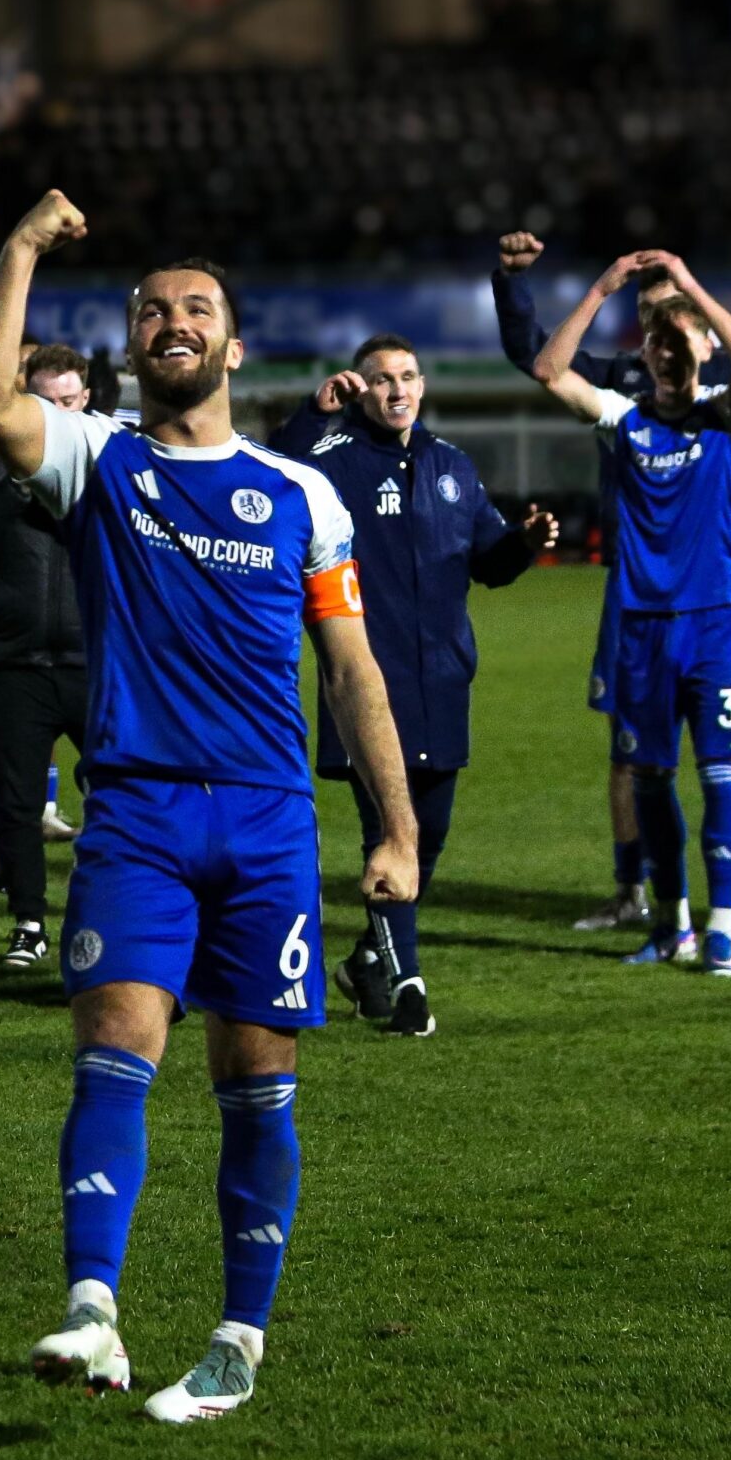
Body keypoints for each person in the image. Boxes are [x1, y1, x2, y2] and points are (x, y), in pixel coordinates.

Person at [0, 192, 418, 1424]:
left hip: (269, 824)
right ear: (130, 340)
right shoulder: (101, 457)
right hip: (139, 817)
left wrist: (396, 827)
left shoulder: (299, 496)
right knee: (113, 1053)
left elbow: (353, 668)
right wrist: (17, 251)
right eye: (152, 309)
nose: (173, 322)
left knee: (252, 1080)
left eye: (196, 309)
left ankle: (236, 1343)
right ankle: (93, 1310)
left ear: (234, 344)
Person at [496, 185, 731, 934]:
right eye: (650, 316)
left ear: (702, 333)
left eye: (674, 315)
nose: (661, 328)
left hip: (714, 593)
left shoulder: (729, 400)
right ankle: (636, 889)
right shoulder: (623, 391)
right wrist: (518, 284)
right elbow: (534, 356)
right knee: (629, 751)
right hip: (634, 592)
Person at [269, 335, 558, 1036]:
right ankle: (408, 989)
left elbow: (487, 561)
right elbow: (268, 473)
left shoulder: (452, 468)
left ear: (422, 386)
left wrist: (522, 542)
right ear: (358, 389)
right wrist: (313, 414)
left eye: (407, 377)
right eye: (381, 379)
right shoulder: (328, 463)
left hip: (444, 689)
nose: (397, 389)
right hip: (367, 692)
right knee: (387, 836)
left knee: (424, 844)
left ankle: (368, 962)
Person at [533, 252, 731, 977]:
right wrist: (602, 288)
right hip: (641, 626)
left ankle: (722, 926)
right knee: (652, 778)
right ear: (648, 354)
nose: (667, 352)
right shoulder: (626, 420)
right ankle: (673, 925)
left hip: (716, 623)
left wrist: (694, 289)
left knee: (723, 769)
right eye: (656, 343)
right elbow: (549, 371)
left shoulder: (729, 416)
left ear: (704, 347)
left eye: (682, 340)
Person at [0, 345, 93, 968]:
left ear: (86, 400)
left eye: (68, 402)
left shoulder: (111, 460)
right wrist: (17, 479)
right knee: (19, 806)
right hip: (14, 666)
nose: (56, 415)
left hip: (97, 665)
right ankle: (29, 922)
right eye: (45, 403)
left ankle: (103, 917)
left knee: (122, 798)